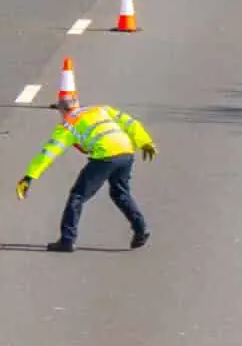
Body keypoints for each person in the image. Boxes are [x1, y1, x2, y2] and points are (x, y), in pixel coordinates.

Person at [16, 87, 156, 252]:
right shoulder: (101, 109)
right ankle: (141, 229)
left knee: (78, 196)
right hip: (126, 151)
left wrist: (29, 176)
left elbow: (48, 153)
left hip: (105, 155)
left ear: (62, 111)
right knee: (120, 193)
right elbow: (129, 122)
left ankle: (67, 240)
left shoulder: (67, 126)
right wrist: (145, 142)